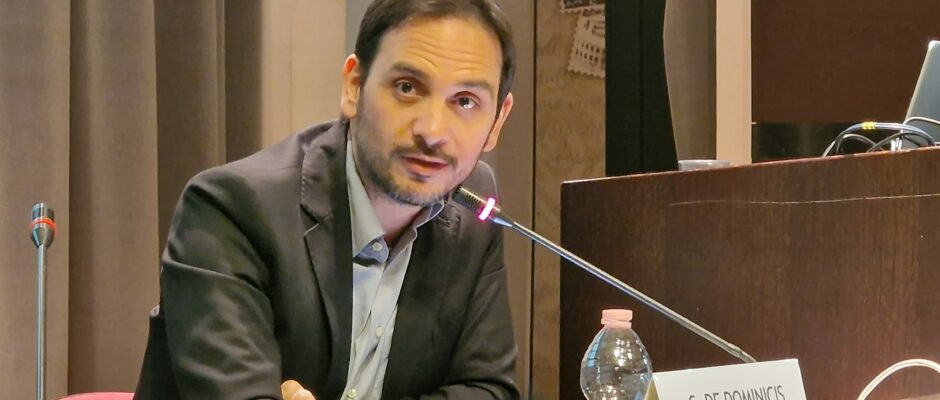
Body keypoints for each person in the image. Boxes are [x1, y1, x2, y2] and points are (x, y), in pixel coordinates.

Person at [134, 0, 519, 399]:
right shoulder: (230, 211)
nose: (433, 131)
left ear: (497, 120)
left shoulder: (473, 205)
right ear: (354, 86)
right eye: (407, 87)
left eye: (465, 101)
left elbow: (489, 390)